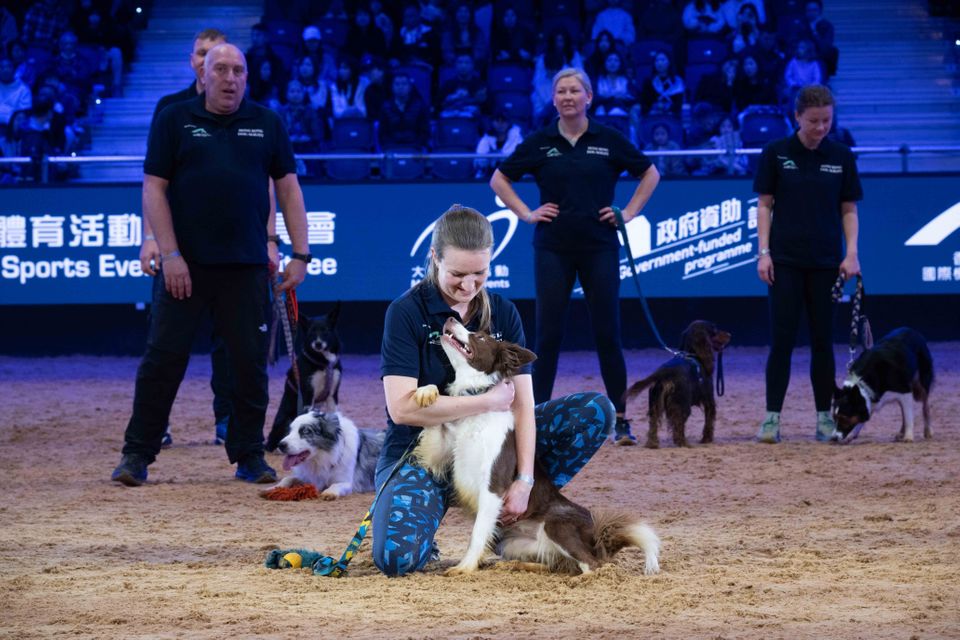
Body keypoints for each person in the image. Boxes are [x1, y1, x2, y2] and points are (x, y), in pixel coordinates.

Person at [371, 204, 615, 576]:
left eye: (479, 273)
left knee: (595, 411)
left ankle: (510, 517)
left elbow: (523, 406)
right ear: (435, 257)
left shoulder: (503, 312)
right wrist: (487, 402)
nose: (468, 286)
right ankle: (430, 526)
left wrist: (524, 480)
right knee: (395, 560)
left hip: (493, 453)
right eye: (457, 274)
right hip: (425, 452)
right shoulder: (405, 312)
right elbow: (403, 410)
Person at [110, 43, 310, 486]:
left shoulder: (267, 122)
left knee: (249, 365)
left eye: (238, 70)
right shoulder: (174, 119)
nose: (230, 78)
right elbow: (153, 189)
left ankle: (249, 455)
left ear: (247, 77)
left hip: (246, 267)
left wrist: (300, 253)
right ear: (203, 74)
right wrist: (170, 254)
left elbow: (289, 189)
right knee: (162, 361)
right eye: (220, 69)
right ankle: (136, 454)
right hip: (184, 268)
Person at [490, 68, 661, 445]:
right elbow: (499, 179)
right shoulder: (540, 142)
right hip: (553, 248)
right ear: (553, 99)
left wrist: (629, 212)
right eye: (561, 91)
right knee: (547, 336)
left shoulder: (608, 139)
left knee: (608, 334)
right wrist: (526, 213)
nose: (568, 97)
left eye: (574, 91)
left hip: (600, 247)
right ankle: (535, 419)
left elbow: (650, 174)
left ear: (589, 97)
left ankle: (620, 420)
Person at [754, 84, 862, 444]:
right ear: (797, 116)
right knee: (781, 342)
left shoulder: (842, 156)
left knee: (822, 343)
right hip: (784, 262)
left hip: (826, 264)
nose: (820, 127)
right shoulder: (775, 153)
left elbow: (849, 209)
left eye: (826, 120)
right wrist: (764, 252)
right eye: (814, 120)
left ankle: (824, 417)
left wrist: (851, 253)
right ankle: (772, 419)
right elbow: (764, 205)